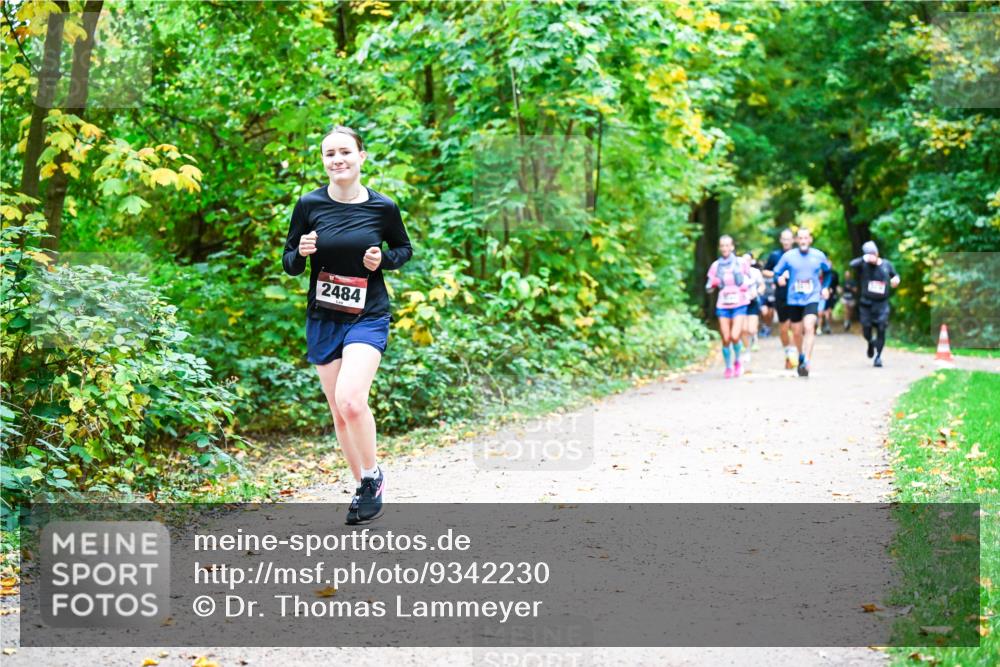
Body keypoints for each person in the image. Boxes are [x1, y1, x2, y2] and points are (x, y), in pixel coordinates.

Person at [282, 124, 413, 524]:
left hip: (368, 315)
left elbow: (403, 248)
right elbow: (289, 263)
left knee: (352, 399)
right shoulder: (309, 205)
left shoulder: (383, 207)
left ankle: (372, 477)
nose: (337, 160)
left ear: (361, 157)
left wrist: (383, 261)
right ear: (323, 161)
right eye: (329, 154)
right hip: (323, 317)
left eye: (345, 152)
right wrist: (300, 252)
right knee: (339, 413)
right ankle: (361, 486)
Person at [770, 228, 832, 377]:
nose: (803, 241)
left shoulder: (818, 255)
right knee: (797, 332)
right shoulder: (788, 256)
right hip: (794, 298)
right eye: (800, 238)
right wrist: (778, 279)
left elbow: (828, 272)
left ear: (810, 239)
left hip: (812, 297)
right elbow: (776, 272)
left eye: (806, 238)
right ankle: (801, 355)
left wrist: (825, 287)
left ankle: (807, 361)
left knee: (809, 326)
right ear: (797, 240)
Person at [706, 236, 751, 378]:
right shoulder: (716, 266)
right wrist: (713, 284)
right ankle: (728, 366)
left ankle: (737, 361)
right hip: (723, 305)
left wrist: (746, 286)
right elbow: (708, 287)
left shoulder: (741, 263)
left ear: (732, 247)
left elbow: (751, 279)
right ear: (720, 248)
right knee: (726, 338)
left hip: (739, 304)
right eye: (722, 246)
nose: (725, 248)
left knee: (735, 335)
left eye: (727, 245)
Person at [849, 241, 900, 368]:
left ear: (877, 253)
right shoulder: (864, 265)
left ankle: (878, 357)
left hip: (882, 304)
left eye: (872, 254)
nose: (871, 257)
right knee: (866, 330)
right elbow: (852, 264)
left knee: (881, 328)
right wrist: (863, 258)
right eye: (868, 254)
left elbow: (895, 276)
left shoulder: (886, 265)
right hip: (866, 303)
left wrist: (896, 280)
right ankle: (871, 342)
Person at [762, 228, 797, 369]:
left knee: (795, 326)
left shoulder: (798, 255)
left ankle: (794, 354)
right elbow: (765, 270)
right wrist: (778, 277)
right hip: (781, 295)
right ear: (781, 240)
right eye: (784, 239)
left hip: (797, 295)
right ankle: (788, 351)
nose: (786, 241)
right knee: (784, 328)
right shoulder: (775, 255)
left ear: (793, 240)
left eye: (789, 239)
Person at [741, 253, 766, 368]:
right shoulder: (737, 272)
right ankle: (746, 351)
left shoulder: (755, 272)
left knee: (751, 329)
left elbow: (762, 285)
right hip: (740, 303)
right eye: (743, 259)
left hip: (753, 302)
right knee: (744, 329)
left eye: (748, 260)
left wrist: (758, 291)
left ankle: (754, 339)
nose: (746, 261)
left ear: (752, 261)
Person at [818, 266, 840, 335]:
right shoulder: (814, 277)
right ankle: (819, 327)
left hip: (827, 296)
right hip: (817, 297)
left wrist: (830, 290)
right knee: (820, 313)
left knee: (826, 312)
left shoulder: (830, 276)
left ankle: (825, 326)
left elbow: (836, 284)